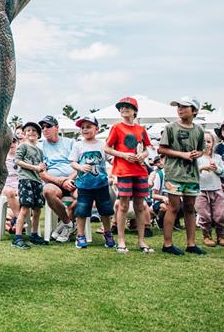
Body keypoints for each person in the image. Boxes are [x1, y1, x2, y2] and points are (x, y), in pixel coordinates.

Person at [157, 96, 207, 256]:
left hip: (192, 175)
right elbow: (161, 149)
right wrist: (182, 154)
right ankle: (167, 244)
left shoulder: (199, 130)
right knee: (173, 207)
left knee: (190, 208)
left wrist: (196, 154)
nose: (180, 109)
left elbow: (201, 150)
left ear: (194, 111)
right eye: (178, 106)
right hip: (174, 173)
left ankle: (191, 244)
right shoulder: (170, 127)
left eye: (184, 106)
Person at [104, 96, 152, 253]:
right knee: (123, 205)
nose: (124, 109)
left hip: (140, 171)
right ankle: (121, 240)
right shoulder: (116, 127)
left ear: (135, 111)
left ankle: (141, 241)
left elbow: (147, 148)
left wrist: (143, 156)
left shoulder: (141, 129)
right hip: (123, 170)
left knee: (140, 205)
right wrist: (123, 155)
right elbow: (107, 148)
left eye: (127, 106)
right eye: (121, 107)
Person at [69, 115, 116, 249]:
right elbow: (72, 162)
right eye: (82, 127)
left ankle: (108, 234)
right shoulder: (78, 145)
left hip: (101, 184)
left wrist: (117, 161)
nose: (85, 129)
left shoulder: (102, 144)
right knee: (82, 211)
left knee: (106, 211)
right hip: (84, 185)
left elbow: (110, 159)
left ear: (97, 129)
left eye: (88, 127)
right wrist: (80, 167)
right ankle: (80, 235)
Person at [37, 115, 77, 243]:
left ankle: (65, 223)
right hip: (54, 183)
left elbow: (78, 165)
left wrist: (69, 179)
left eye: (48, 126)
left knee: (86, 194)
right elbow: (42, 173)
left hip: (73, 181)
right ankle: (68, 223)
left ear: (57, 128)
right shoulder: (40, 146)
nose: (45, 129)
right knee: (47, 190)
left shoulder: (70, 142)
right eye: (42, 127)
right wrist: (61, 181)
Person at [12, 122, 49, 249]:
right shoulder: (22, 146)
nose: (31, 132)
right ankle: (17, 238)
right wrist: (34, 167)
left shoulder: (39, 151)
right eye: (28, 130)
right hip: (25, 180)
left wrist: (42, 167)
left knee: (37, 209)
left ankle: (34, 235)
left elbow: (40, 166)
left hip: (37, 181)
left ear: (38, 135)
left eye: (34, 130)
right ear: (24, 133)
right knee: (25, 209)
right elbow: (17, 161)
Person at [196, 131, 224, 247]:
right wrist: (202, 168)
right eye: (203, 142)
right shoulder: (197, 158)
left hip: (217, 190)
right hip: (201, 190)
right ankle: (207, 236)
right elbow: (192, 172)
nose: (206, 144)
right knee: (204, 215)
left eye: (209, 141)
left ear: (213, 143)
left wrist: (217, 169)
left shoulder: (218, 158)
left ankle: (221, 235)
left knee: (220, 214)